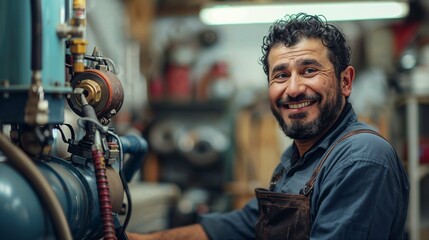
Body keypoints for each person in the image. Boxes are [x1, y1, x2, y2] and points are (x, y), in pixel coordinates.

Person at [127, 12, 409, 240]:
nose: (294, 89)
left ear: (345, 81)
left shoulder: (360, 158)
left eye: (309, 70)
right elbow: (246, 223)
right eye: (281, 75)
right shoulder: (300, 158)